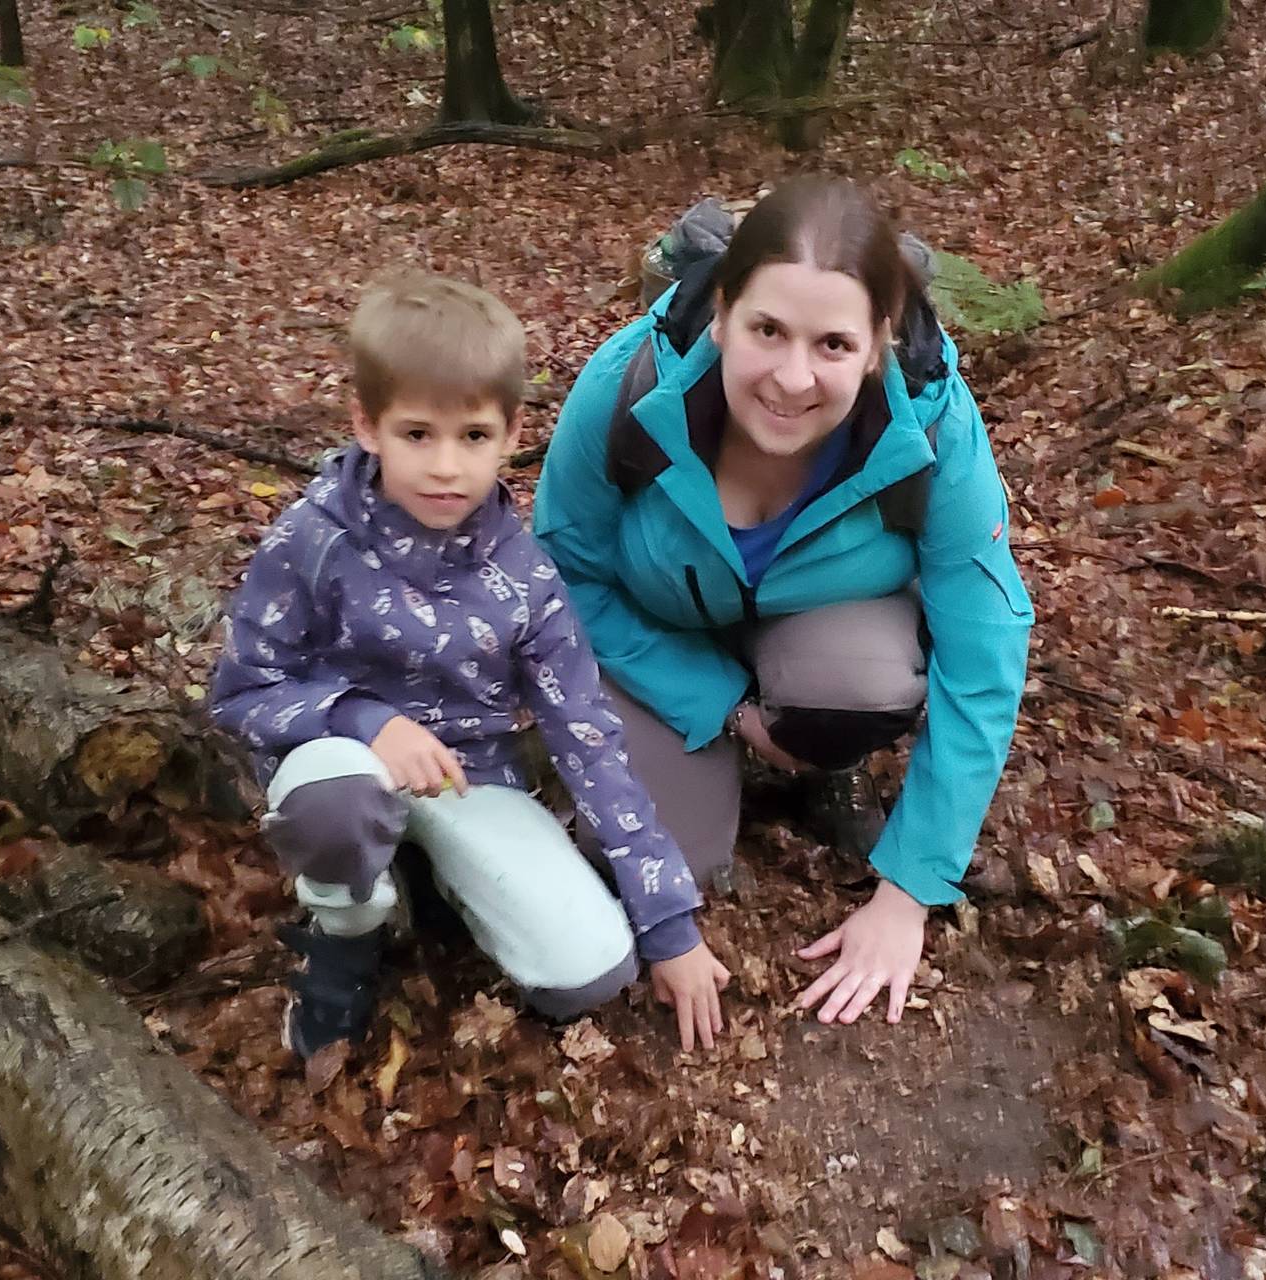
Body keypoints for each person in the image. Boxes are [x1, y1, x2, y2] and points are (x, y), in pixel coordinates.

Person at [534, 176, 1033, 1027]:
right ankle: (713, 747)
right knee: (648, 862)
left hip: (827, 635)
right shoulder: (630, 388)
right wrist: (721, 706)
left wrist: (909, 892)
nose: (792, 379)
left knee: (866, 687)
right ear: (723, 312)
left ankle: (821, 769)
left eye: (833, 345)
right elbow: (562, 577)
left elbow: (986, 644)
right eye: (768, 330)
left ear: (877, 343)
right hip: (661, 635)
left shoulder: (934, 427)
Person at [210, 270, 733, 1059]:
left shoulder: (525, 577)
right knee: (339, 803)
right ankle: (346, 928)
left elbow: (589, 742)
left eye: (474, 437)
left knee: (587, 972)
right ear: (367, 424)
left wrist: (667, 923)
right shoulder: (311, 541)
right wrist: (364, 719)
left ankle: (431, 880)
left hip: (468, 777)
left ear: (513, 434)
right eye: (418, 434)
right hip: (337, 762)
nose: (447, 467)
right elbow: (243, 689)